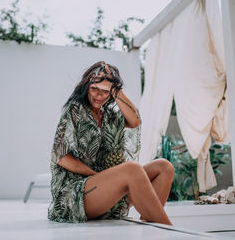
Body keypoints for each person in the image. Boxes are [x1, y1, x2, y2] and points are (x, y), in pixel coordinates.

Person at [48, 61, 174, 225]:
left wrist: (117, 91)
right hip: (75, 196)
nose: (99, 95)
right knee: (132, 169)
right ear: (86, 86)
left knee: (164, 167)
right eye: (94, 89)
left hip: (106, 193)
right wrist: (98, 176)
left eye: (105, 91)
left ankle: (153, 226)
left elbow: (135, 121)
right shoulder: (75, 110)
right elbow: (61, 157)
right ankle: (171, 231)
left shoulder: (110, 115)